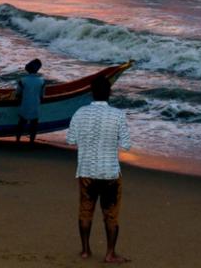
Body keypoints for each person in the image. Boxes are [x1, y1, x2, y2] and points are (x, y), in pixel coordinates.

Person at [66, 76, 132, 263]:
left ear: (91, 93)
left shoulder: (80, 113)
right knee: (110, 215)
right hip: (110, 171)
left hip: (86, 170)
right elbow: (126, 145)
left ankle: (86, 250)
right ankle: (110, 253)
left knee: (85, 211)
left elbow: (70, 140)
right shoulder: (118, 115)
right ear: (109, 93)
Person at [15, 58, 46, 144]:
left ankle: (17, 140)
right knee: (34, 126)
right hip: (35, 105)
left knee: (21, 124)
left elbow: (18, 94)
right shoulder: (42, 81)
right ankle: (31, 142)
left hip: (25, 105)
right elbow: (41, 96)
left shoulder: (22, 81)